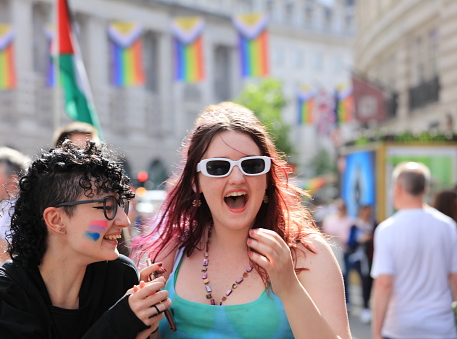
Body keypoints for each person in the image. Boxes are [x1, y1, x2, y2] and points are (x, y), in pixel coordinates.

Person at [134, 102, 351, 338]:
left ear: (267, 177)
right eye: (218, 167)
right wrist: (145, 322)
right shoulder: (170, 250)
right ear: (195, 181)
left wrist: (289, 287)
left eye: (252, 165)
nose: (237, 177)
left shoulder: (308, 253)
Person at [0, 141, 171, 338]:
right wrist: (121, 319)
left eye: (121, 205)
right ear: (56, 220)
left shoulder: (119, 275)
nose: (124, 221)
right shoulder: (0, 294)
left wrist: (148, 320)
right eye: (107, 207)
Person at [371, 162, 457, 339]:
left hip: (399, 327)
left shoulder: (387, 229)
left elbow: (384, 283)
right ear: (425, 189)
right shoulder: (447, 225)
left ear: (398, 187)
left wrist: (377, 332)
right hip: (441, 326)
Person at [322, 199, 356, 308]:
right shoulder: (330, 220)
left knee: (345, 277)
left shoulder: (350, 221)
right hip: (333, 253)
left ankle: (346, 301)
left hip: (345, 252)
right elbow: (325, 234)